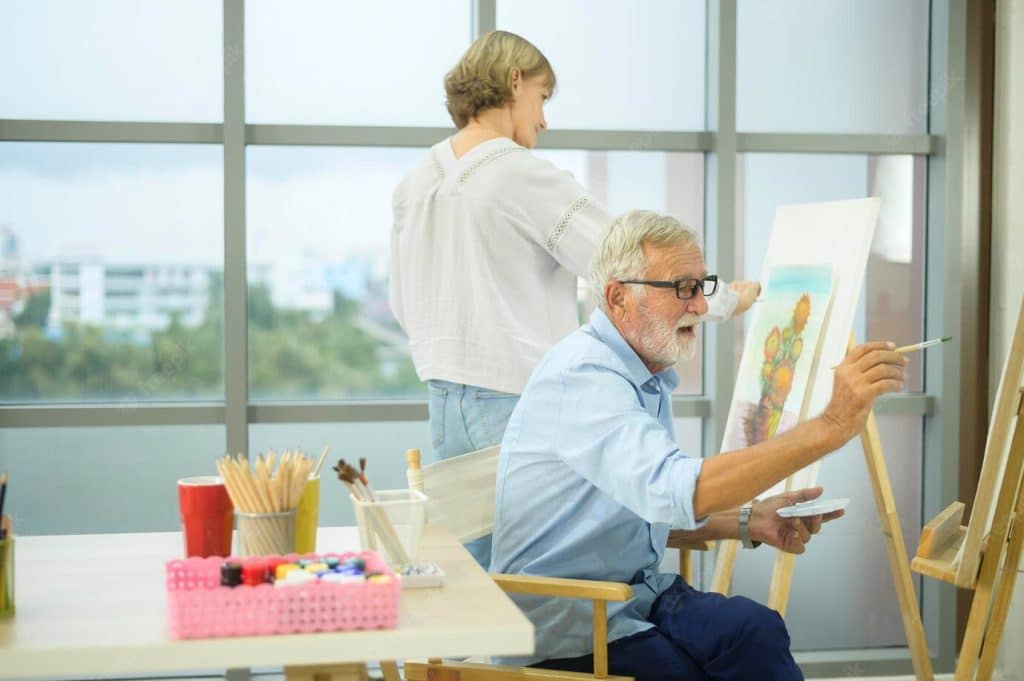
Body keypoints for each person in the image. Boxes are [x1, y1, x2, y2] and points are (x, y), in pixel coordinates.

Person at [389, 31, 759, 567]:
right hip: (520, 396)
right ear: (514, 81)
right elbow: (624, 264)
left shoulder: (415, 181)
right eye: (542, 97)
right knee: (552, 566)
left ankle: (489, 658)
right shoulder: (522, 172)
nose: (543, 119)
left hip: (445, 400)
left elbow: (403, 302)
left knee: (481, 576)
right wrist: (724, 299)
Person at [489, 210, 908, 681]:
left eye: (700, 286)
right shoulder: (584, 377)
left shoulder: (643, 374)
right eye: (682, 289)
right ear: (618, 297)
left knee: (756, 630)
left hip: (636, 595)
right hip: (572, 622)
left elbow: (641, 510)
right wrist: (831, 424)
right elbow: (677, 489)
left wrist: (750, 520)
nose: (702, 306)